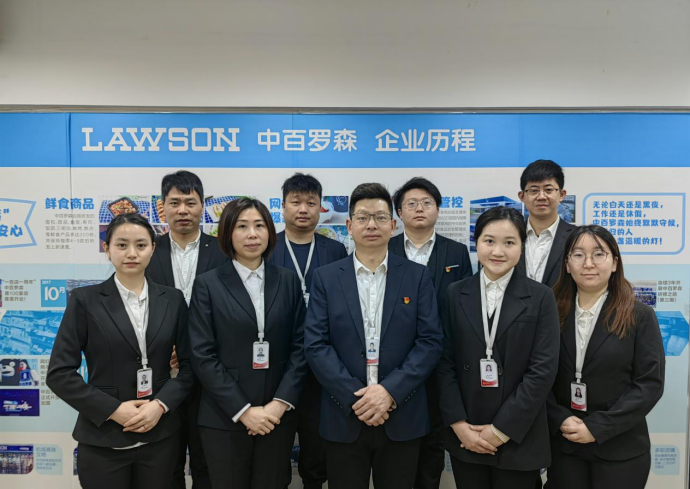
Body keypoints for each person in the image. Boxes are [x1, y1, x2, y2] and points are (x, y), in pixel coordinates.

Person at [305, 183, 443, 489]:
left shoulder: (417, 276)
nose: (371, 224)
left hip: (401, 413)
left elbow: (430, 342)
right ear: (349, 225)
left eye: (380, 217)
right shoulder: (326, 278)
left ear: (393, 226)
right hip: (344, 414)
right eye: (363, 217)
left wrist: (389, 392)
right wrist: (356, 398)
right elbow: (315, 345)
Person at [46, 213, 194, 489]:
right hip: (104, 440)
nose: (132, 253)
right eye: (122, 245)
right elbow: (59, 374)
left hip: (160, 438)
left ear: (153, 248)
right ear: (107, 248)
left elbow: (190, 366)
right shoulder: (85, 301)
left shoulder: (173, 300)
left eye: (141, 245)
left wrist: (160, 405)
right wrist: (113, 409)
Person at [436, 206, 560, 489]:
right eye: (489, 241)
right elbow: (443, 362)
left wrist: (502, 430)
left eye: (509, 242)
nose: (498, 251)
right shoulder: (455, 293)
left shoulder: (541, 297)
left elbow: (542, 370)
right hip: (468, 431)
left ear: (522, 247)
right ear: (476, 243)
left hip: (519, 434)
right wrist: (458, 424)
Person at [188, 197, 308, 489]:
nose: (252, 234)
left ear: (269, 231)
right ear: (227, 233)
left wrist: (279, 404)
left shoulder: (288, 280)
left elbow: (302, 346)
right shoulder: (207, 284)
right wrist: (243, 410)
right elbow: (202, 355)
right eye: (242, 226)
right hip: (224, 417)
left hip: (276, 415)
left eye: (259, 225)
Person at [545, 225, 665, 489]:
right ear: (567, 264)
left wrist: (597, 428)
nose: (588, 263)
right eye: (578, 255)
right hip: (565, 444)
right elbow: (537, 374)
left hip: (620, 447)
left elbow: (649, 384)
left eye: (599, 254)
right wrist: (559, 418)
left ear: (614, 263)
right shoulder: (550, 312)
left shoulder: (639, 315)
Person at [389, 176, 473, 489]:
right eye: (411, 203)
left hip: (441, 359)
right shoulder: (386, 248)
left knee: (434, 438)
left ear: (438, 209)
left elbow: (464, 307)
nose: (420, 208)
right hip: (395, 361)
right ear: (399, 212)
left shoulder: (457, 252)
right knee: (398, 439)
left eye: (427, 203)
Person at [146, 170, 226, 489]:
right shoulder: (147, 250)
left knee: (209, 463)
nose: (183, 210)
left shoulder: (224, 251)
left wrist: (196, 349)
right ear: (162, 207)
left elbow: (233, 312)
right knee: (166, 464)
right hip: (162, 375)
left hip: (212, 376)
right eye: (175, 202)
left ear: (202, 206)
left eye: (190, 203)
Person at [268, 173, 347, 489]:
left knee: (316, 449)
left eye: (311, 203)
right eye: (296, 202)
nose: (303, 209)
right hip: (278, 363)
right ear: (282, 206)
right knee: (275, 449)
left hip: (321, 365)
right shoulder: (267, 247)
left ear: (320, 208)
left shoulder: (335, 250)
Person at [517, 160, 577, 288]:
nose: (541, 196)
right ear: (522, 196)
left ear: (562, 194)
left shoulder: (577, 237)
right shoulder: (511, 236)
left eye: (548, 190)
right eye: (534, 190)